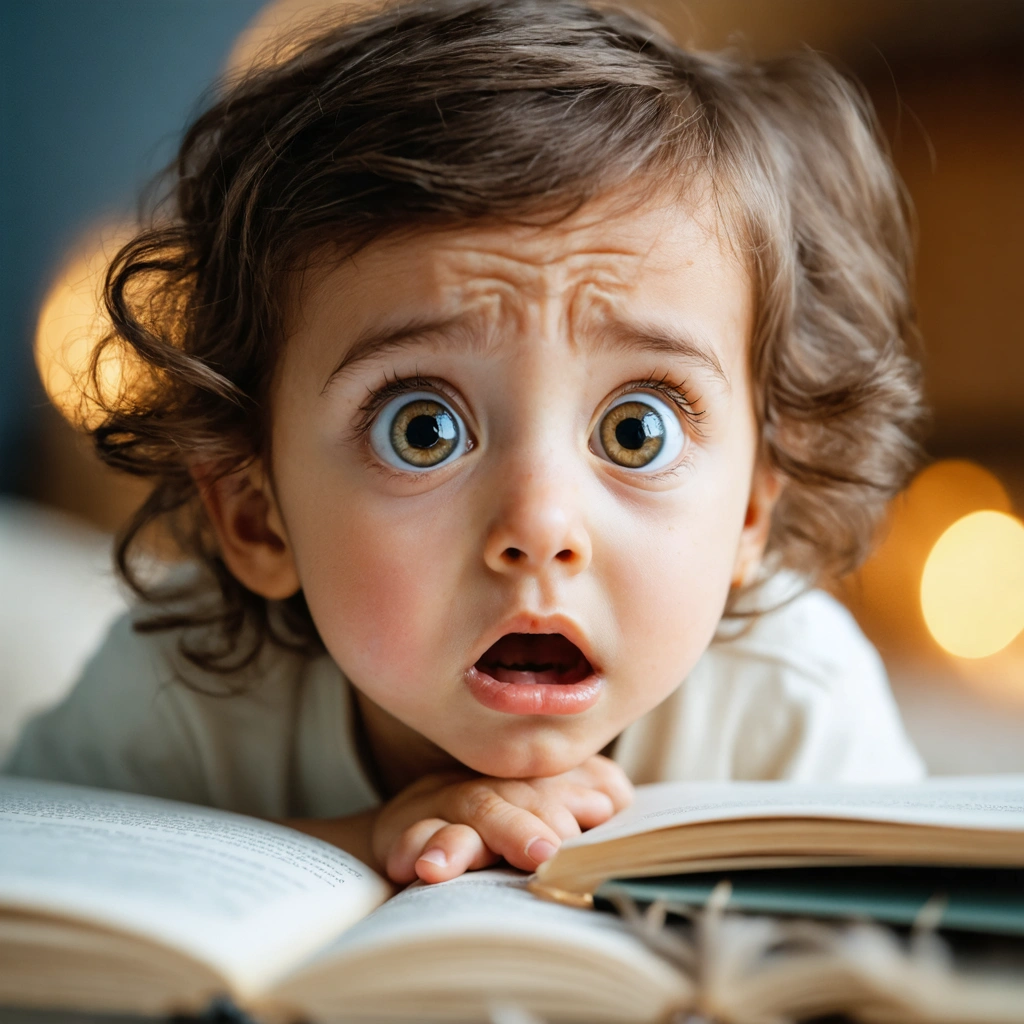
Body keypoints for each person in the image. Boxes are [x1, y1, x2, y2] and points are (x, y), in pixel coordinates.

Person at [5, 0, 926, 885]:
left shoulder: (794, 700)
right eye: (423, 430)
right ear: (257, 514)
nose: (539, 525)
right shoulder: (181, 673)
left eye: (635, 431)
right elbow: (37, 854)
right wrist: (354, 842)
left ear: (752, 512)